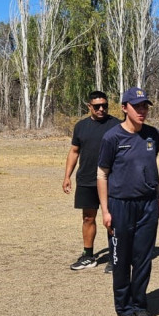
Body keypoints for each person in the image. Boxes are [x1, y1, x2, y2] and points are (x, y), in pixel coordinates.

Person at [97, 86, 159, 316]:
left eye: (145, 106)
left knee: (143, 259)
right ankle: (124, 309)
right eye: (137, 106)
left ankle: (140, 306)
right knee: (121, 260)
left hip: (148, 205)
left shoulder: (153, 135)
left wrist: (158, 193)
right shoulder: (112, 137)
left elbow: (151, 167)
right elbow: (102, 174)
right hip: (119, 206)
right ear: (125, 108)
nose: (142, 110)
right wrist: (105, 210)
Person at [63, 91, 121, 273]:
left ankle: (115, 258)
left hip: (111, 181)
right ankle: (88, 256)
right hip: (86, 180)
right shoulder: (81, 126)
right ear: (89, 106)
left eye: (104, 105)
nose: (101, 109)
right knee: (88, 218)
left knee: (113, 220)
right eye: (97, 106)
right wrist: (67, 176)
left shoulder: (117, 125)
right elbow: (74, 151)